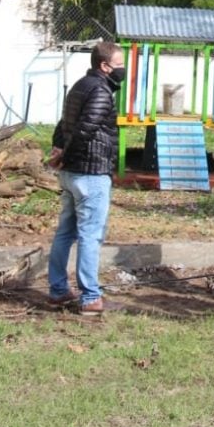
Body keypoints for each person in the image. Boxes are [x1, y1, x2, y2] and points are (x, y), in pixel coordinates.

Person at [47, 41, 126, 315]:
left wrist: (58, 149)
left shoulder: (81, 85)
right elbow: (83, 131)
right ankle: (90, 297)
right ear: (104, 66)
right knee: (90, 236)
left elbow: (63, 123)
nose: (122, 69)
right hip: (90, 174)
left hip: (71, 176)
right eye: (119, 64)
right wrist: (65, 155)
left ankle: (57, 291)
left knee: (65, 233)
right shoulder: (101, 92)